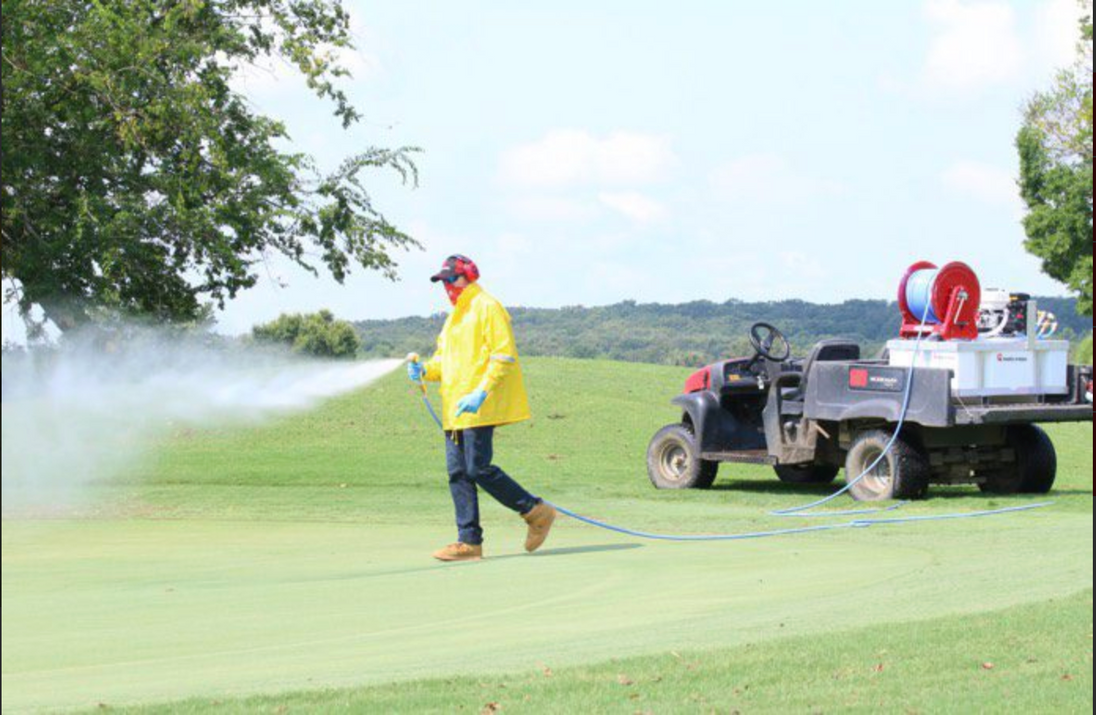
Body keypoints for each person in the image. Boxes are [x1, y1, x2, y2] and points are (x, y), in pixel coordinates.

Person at [407, 254, 556, 561]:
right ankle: (469, 543)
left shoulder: (488, 307)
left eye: (453, 279)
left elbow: (503, 356)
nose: (448, 286)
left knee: (477, 468)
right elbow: (443, 363)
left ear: (469, 276)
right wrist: (424, 370)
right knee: (458, 474)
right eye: (444, 281)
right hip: (454, 409)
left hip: (478, 406)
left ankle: (535, 511)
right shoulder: (453, 319)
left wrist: (481, 393)